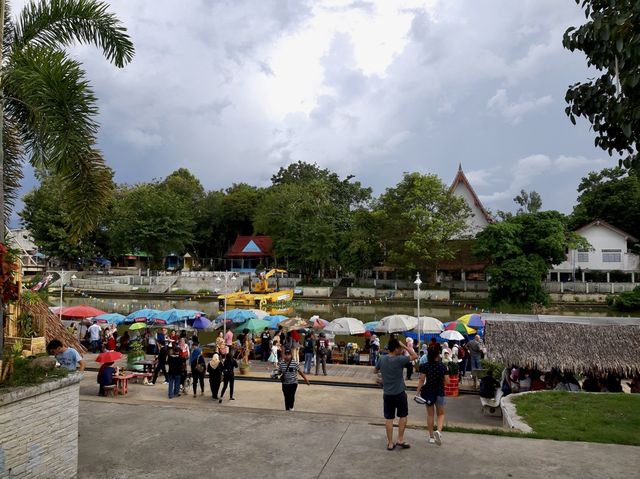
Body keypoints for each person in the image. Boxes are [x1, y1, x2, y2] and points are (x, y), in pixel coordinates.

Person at [374, 337, 418, 451]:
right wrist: (405, 346)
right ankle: (400, 439)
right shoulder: (400, 359)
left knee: (389, 418)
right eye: (400, 348)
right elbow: (415, 356)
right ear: (397, 349)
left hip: (387, 393)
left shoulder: (382, 358)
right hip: (399, 393)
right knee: (402, 416)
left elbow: (375, 371)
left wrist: (383, 378)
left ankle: (389, 443)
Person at [417, 347, 449, 446]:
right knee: (441, 414)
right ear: (437, 355)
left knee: (430, 415)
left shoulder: (424, 366)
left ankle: (431, 437)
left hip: (428, 391)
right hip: (439, 391)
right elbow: (447, 382)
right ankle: (438, 431)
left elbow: (422, 380)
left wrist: (418, 391)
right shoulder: (443, 366)